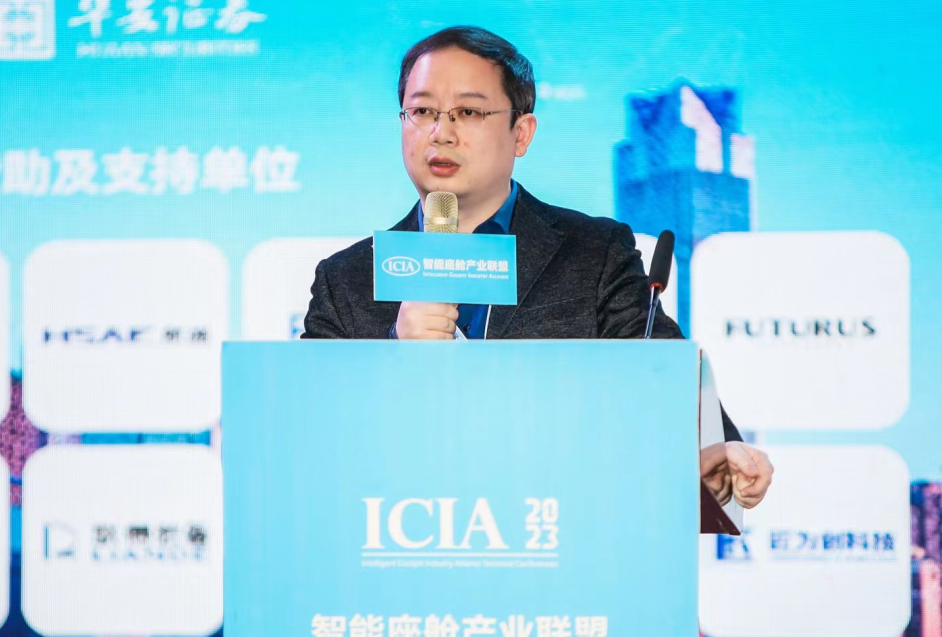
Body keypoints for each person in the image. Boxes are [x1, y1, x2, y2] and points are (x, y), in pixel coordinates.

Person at [302, 26, 772, 509]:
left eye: (469, 112)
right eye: (422, 112)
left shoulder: (595, 253)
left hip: (558, 530)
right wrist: (393, 353)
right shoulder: (347, 278)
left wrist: (714, 452)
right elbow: (303, 436)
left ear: (521, 133)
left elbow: (662, 373)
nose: (441, 132)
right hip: (397, 536)